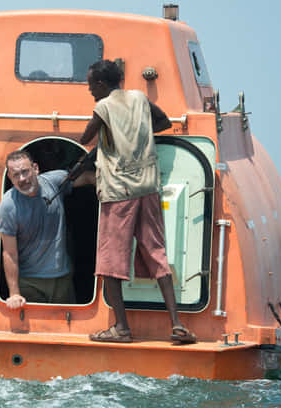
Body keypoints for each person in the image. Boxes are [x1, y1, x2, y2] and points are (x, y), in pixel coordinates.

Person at [79, 59, 196, 344]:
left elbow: (85, 138)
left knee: (111, 261)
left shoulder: (103, 106)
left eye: (91, 85)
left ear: (101, 84)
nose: (89, 90)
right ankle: (177, 324)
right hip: (148, 188)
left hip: (118, 192)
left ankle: (121, 328)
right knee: (157, 252)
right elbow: (164, 122)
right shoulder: (140, 98)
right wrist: (138, 131)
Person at [0, 150, 94, 309]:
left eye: (25, 172)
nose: (22, 179)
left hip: (62, 278)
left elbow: (88, 178)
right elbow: (9, 253)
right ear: (9, 177)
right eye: (16, 175)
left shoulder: (53, 181)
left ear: (35, 169)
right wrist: (14, 293)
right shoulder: (9, 205)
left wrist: (114, 185)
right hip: (29, 282)